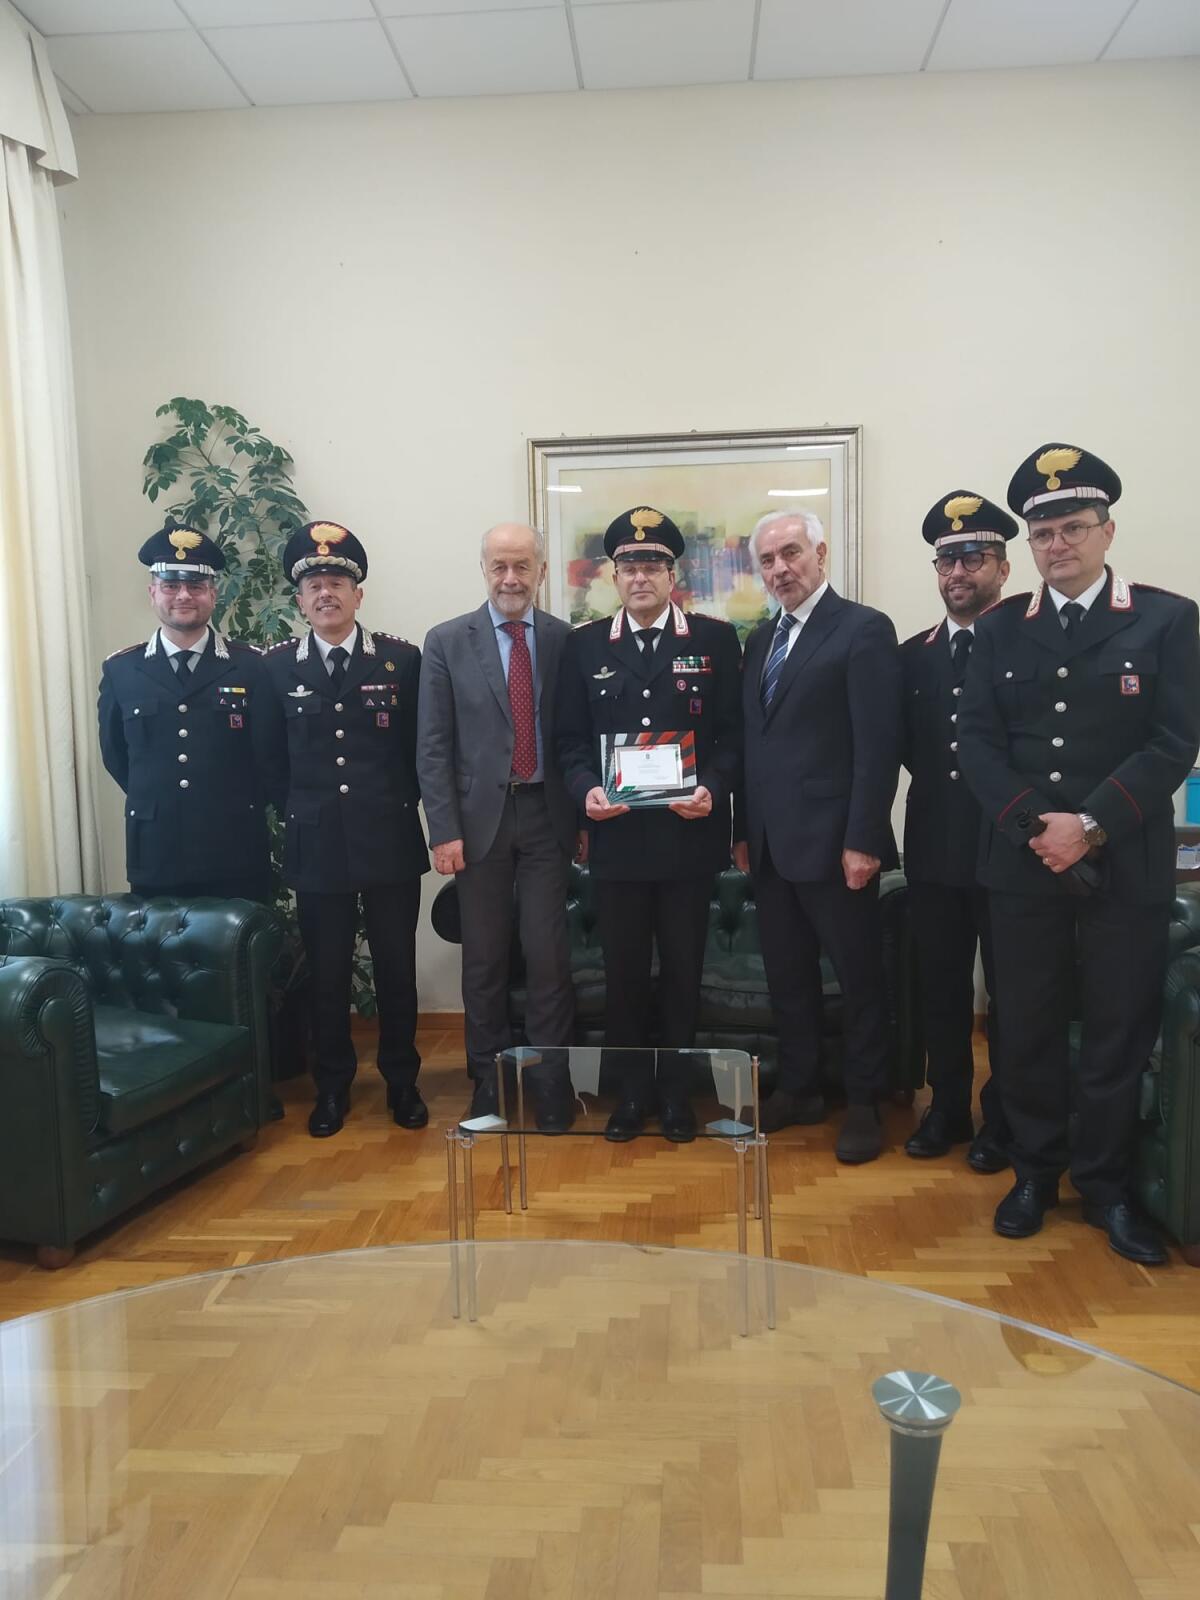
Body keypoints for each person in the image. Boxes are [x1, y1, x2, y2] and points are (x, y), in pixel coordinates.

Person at [959, 443, 1200, 1263]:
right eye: (1042, 533)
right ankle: (1034, 1174)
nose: (1057, 544)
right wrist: (1040, 827)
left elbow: (1174, 744)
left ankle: (1106, 1189)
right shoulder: (998, 631)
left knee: (1114, 1032)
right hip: (1023, 868)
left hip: (1123, 867)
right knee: (1022, 1028)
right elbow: (978, 745)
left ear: (1106, 531)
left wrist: (1088, 825)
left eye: (1072, 527)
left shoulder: (1165, 619)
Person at [555, 507, 742, 1142]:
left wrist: (713, 789)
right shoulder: (583, 646)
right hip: (617, 842)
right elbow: (570, 742)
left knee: (684, 974)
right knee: (626, 975)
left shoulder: (714, 641)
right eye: (630, 565)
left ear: (673, 574)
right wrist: (586, 792)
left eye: (654, 564)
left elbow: (733, 737)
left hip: (688, 839)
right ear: (613, 574)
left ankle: (677, 1097)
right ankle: (631, 1095)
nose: (641, 576)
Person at [734, 511, 901, 1164]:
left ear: (820, 553)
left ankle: (863, 1101)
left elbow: (876, 747)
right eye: (768, 559)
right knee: (789, 979)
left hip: (838, 847)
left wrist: (864, 839)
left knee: (860, 981)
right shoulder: (759, 642)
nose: (780, 568)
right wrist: (743, 832)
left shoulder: (863, 630)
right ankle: (800, 1088)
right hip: (772, 848)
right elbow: (755, 746)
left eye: (791, 553)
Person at [255, 521, 429, 1138]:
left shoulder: (401, 660)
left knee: (395, 968)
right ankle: (332, 1087)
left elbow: (419, 753)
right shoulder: (274, 669)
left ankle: (402, 1082)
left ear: (359, 594)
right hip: (316, 842)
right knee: (326, 972)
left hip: (388, 839)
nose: (325, 593)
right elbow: (269, 762)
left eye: (337, 582)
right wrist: (307, 809)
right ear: (299, 600)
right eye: (313, 584)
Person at [417, 523, 579, 1127]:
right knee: (483, 958)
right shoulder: (446, 642)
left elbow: (576, 736)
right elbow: (432, 746)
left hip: (546, 814)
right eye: (498, 567)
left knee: (547, 955)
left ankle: (549, 1079)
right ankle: (488, 1079)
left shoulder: (567, 641)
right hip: (476, 820)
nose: (510, 579)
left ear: (540, 570)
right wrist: (443, 830)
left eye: (522, 566)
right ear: (482, 569)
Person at [900, 492, 1014, 1170]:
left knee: (1011, 995)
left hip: (1012, 847)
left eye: (973, 556)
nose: (957, 571)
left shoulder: (1028, 641)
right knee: (940, 986)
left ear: (1002, 564)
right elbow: (909, 748)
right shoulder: (914, 655)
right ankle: (946, 1108)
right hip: (936, 845)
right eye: (946, 559)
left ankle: (1002, 1119)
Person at [98, 523, 271, 902]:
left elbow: (269, 755)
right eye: (171, 586)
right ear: (152, 593)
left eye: (195, 586)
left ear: (213, 593)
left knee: (244, 959)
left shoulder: (253, 667)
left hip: (235, 848)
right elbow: (116, 756)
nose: (183, 596)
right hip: (156, 850)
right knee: (161, 958)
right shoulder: (122, 670)